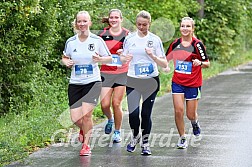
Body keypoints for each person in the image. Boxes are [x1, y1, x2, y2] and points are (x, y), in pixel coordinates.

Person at [61, 11, 112, 156]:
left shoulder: (96, 40)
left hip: (92, 82)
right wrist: (67, 62)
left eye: (85, 21)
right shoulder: (71, 42)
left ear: (89, 23)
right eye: (79, 21)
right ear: (76, 23)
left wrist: (100, 59)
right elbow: (64, 57)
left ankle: (86, 146)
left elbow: (109, 58)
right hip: (75, 82)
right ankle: (84, 129)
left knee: (87, 115)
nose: (82, 24)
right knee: (75, 117)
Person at [120, 10, 168, 155]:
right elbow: (123, 58)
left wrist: (152, 55)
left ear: (149, 24)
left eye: (144, 25)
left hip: (151, 81)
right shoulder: (129, 39)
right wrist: (124, 58)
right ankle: (135, 136)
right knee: (134, 114)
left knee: (146, 114)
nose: (141, 27)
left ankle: (145, 143)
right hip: (133, 79)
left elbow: (164, 62)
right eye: (139, 24)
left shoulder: (155, 40)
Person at [165, 17, 210, 149]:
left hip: (193, 83)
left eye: (188, 26)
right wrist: (165, 66)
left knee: (190, 114)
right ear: (180, 28)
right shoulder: (175, 44)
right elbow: (166, 59)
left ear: (192, 28)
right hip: (177, 82)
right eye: (183, 26)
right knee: (178, 111)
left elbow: (207, 63)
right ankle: (182, 138)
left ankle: (195, 122)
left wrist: (200, 63)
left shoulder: (197, 45)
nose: (185, 28)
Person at [97, 9, 129, 143]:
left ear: (121, 19)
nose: (114, 20)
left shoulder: (127, 34)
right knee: (104, 105)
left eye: (116, 17)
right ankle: (110, 119)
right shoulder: (102, 34)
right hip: (106, 72)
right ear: (109, 19)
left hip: (122, 72)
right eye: (111, 17)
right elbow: (96, 51)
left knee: (116, 103)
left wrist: (124, 54)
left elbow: (131, 54)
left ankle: (117, 131)